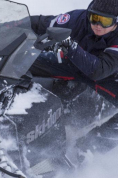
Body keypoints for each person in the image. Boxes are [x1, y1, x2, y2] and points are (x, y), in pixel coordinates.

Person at [29, 0, 118, 159]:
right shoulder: (76, 19)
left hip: (109, 75)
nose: (98, 24)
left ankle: (89, 149)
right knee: (19, 63)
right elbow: (41, 23)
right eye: (94, 17)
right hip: (73, 64)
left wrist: (69, 46)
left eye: (105, 21)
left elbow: (99, 70)